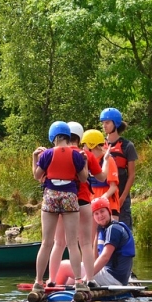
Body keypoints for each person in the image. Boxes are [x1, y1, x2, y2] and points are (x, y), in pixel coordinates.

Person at [47, 122, 109, 285]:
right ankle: (90, 279)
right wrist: (107, 160)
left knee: (59, 243)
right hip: (83, 202)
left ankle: (52, 280)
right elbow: (102, 177)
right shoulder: (85, 154)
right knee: (86, 243)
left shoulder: (56, 153)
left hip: (63, 204)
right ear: (80, 137)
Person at [31, 121, 89, 295]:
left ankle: (38, 282)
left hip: (50, 197)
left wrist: (35, 158)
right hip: (70, 197)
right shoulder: (76, 155)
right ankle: (79, 281)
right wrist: (84, 162)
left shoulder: (47, 154)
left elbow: (37, 175)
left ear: (53, 137)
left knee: (46, 243)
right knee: (72, 243)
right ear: (68, 136)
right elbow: (84, 178)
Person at [57, 197, 135, 288]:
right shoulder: (104, 229)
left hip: (112, 277)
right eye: (96, 213)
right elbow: (95, 259)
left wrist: (87, 278)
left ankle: (53, 291)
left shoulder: (113, 229)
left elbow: (105, 257)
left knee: (63, 266)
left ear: (109, 211)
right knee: (70, 279)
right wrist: (97, 234)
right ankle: (61, 288)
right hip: (113, 276)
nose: (100, 216)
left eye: (102, 211)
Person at [100, 108, 138, 231]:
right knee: (102, 233)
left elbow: (131, 175)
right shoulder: (99, 145)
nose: (104, 126)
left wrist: (122, 198)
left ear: (115, 124)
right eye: (103, 122)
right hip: (104, 195)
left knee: (123, 232)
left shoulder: (127, 146)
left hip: (121, 196)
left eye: (107, 122)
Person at [82, 129, 120, 220]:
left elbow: (113, 186)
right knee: (93, 234)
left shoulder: (108, 160)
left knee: (110, 232)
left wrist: (102, 198)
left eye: (84, 145)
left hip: (109, 203)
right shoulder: (88, 160)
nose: (83, 148)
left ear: (92, 145)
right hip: (93, 203)